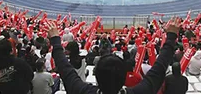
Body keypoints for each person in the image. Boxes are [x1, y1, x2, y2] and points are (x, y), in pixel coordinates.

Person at [48, 17, 180, 94]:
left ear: (97, 77)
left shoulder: (83, 90)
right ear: (124, 78)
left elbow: (65, 69)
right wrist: (171, 38)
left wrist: (55, 41)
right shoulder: (140, 91)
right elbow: (159, 68)